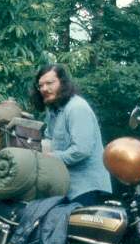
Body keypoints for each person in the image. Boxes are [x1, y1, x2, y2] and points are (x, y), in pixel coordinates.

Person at [30, 64, 112, 206]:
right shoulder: (52, 110)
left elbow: (82, 150)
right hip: (67, 187)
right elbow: (49, 140)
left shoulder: (77, 108)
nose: (44, 89)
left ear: (63, 83)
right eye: (40, 85)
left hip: (88, 188)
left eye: (49, 83)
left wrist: (50, 158)